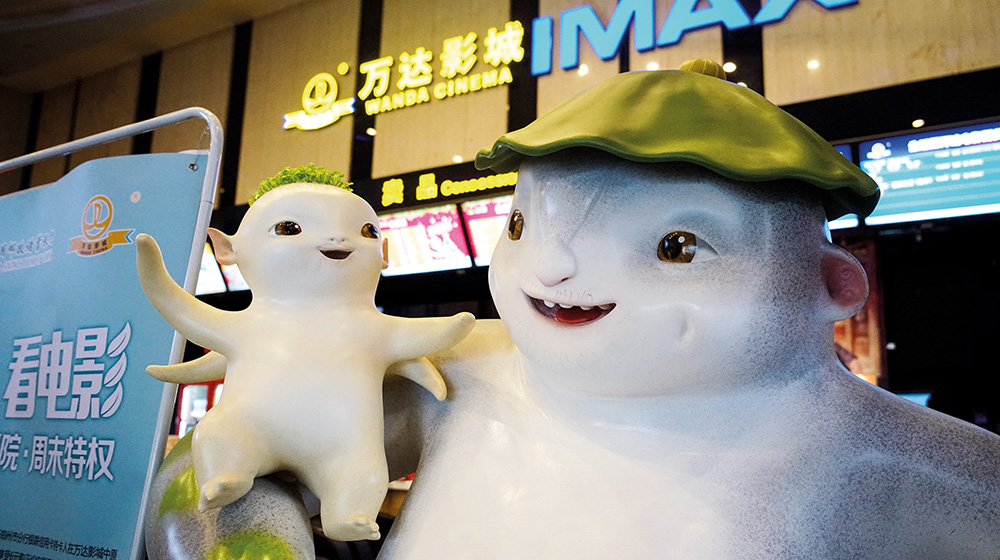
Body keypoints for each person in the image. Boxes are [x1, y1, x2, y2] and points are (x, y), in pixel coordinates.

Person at [146, 62, 1000, 559]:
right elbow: (218, 462)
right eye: (523, 226)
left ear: (831, 287)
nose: (553, 268)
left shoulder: (883, 456)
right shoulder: (465, 376)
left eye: (677, 246)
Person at [136, 164, 473, 542]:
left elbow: (435, 333)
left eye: (367, 231)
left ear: (384, 253)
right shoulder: (252, 323)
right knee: (219, 432)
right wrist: (152, 270)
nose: (337, 237)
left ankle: (350, 512)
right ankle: (226, 473)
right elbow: (178, 306)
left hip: (342, 444)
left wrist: (453, 329)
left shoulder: (377, 329)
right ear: (228, 250)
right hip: (255, 425)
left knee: (360, 469)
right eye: (289, 228)